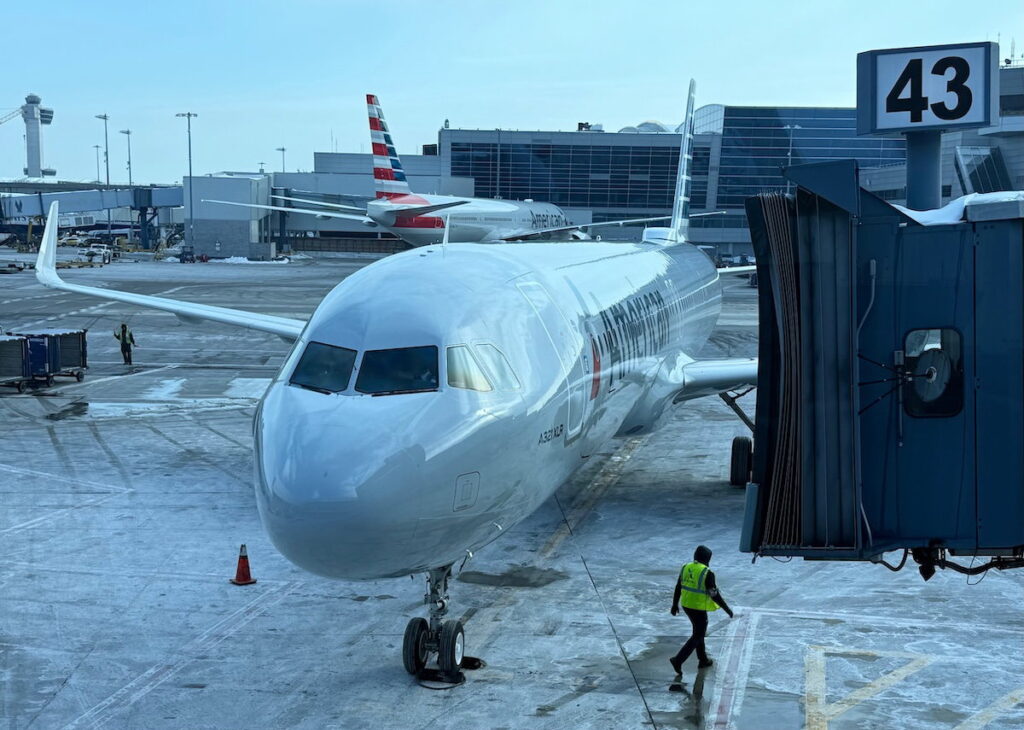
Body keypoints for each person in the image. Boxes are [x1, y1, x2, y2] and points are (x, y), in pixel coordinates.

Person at [670, 545, 733, 674]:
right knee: (698, 635)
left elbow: (678, 586)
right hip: (698, 607)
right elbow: (714, 595)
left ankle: (703, 659)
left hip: (686, 605)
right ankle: (678, 660)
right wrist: (727, 609)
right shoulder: (707, 573)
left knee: (698, 632)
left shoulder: (686, 567)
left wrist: (674, 604)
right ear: (707, 559)